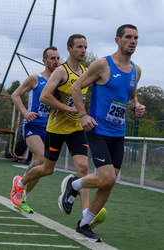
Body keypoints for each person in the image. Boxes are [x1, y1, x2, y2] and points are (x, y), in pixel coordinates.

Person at [59, 24, 146, 242]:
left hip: (118, 133)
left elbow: (131, 98)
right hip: (97, 130)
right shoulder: (102, 65)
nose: (133, 41)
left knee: (110, 181)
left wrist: (137, 106)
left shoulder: (136, 70)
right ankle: (75, 185)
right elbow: (76, 87)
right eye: (128, 37)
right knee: (106, 177)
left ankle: (84, 224)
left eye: (136, 37)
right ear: (118, 40)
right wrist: (83, 115)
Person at [10, 34, 106, 227]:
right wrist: (26, 112)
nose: (83, 51)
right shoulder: (52, 75)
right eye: (79, 47)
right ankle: (20, 185)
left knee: (83, 168)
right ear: (70, 49)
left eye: (85, 47)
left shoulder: (87, 72)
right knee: (45, 166)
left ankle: (86, 215)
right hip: (46, 126)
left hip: (76, 128)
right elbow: (39, 96)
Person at [11, 46, 60, 213]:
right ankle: (20, 186)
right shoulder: (35, 79)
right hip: (33, 125)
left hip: (52, 128)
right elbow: (15, 94)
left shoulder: (60, 82)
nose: (56, 61)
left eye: (58, 58)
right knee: (40, 159)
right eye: (52, 58)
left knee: (42, 166)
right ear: (44, 61)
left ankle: (22, 192)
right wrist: (25, 112)